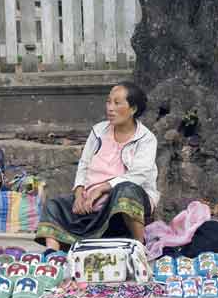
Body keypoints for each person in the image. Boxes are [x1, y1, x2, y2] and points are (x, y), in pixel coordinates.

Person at [35, 81, 160, 253]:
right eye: (108, 102)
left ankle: (139, 246)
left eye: (117, 103)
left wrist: (103, 188)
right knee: (55, 204)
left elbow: (139, 175)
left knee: (126, 190)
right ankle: (53, 255)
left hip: (124, 202)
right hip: (91, 201)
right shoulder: (98, 131)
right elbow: (84, 165)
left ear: (133, 109)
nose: (110, 108)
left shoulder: (146, 139)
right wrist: (79, 194)